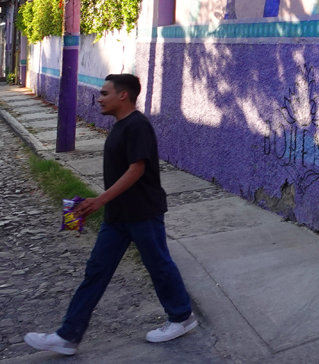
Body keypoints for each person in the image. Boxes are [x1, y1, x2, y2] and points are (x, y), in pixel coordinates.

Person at [24, 73, 198, 356]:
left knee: (159, 266)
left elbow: (137, 169)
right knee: (96, 272)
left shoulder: (137, 126)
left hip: (142, 212)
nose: (99, 98)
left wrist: (99, 200)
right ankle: (68, 336)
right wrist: (103, 203)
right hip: (118, 217)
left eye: (105, 93)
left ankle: (182, 317)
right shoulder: (120, 126)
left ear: (123, 95)